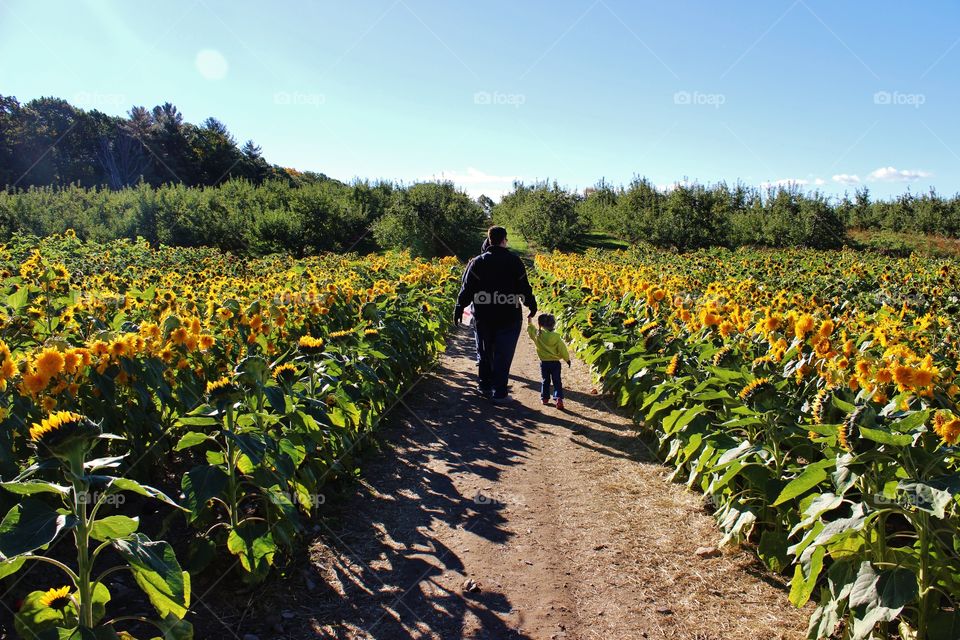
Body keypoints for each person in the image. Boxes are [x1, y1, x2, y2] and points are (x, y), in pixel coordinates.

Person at [455, 226, 536, 401]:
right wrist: (531, 304)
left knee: (485, 351)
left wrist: (459, 306)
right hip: (509, 316)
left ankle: (484, 386)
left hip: (484, 316)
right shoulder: (515, 261)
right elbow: (524, 287)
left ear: (489, 240)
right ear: (504, 240)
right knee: (503, 354)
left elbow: (467, 288)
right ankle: (499, 392)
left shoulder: (477, 262)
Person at [527, 313, 571, 409]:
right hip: (555, 363)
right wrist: (567, 359)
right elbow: (563, 350)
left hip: (544, 363)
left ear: (540, 324)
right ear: (554, 324)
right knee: (557, 381)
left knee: (545, 380)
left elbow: (531, 330)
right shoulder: (556, 338)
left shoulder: (538, 335)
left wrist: (530, 320)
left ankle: (545, 398)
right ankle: (558, 398)